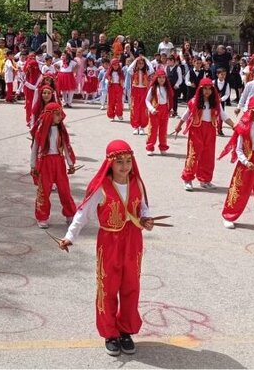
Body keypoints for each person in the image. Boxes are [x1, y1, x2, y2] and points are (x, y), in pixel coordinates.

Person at [58, 140, 154, 356]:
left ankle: (125, 330)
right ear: (110, 162)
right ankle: (110, 333)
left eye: (128, 161)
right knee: (108, 286)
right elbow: (82, 214)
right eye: (119, 162)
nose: (124, 166)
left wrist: (146, 219)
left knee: (131, 286)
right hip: (109, 241)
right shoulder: (101, 187)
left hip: (133, 241)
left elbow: (143, 208)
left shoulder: (137, 183)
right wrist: (70, 236)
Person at [220, 97, 254, 229]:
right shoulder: (243, 128)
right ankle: (229, 215)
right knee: (240, 189)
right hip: (248, 160)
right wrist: (245, 162)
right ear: (251, 113)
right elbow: (238, 149)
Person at [31, 102, 77, 229]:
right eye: (57, 114)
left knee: (65, 190)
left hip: (59, 161)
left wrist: (70, 164)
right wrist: (33, 165)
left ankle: (70, 214)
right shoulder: (40, 131)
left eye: (60, 114)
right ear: (49, 116)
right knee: (44, 191)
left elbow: (66, 147)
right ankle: (42, 217)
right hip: (45, 162)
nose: (60, 117)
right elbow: (35, 148)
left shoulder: (61, 130)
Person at [176, 78, 219, 191]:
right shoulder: (194, 101)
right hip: (196, 130)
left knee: (208, 156)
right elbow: (186, 114)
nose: (207, 91)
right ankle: (187, 179)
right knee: (194, 155)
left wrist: (234, 126)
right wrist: (179, 125)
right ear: (200, 89)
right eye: (205, 89)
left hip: (210, 130)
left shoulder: (214, 102)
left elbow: (223, 115)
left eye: (209, 89)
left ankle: (205, 179)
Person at [144, 67, 173, 155]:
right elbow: (147, 100)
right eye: (160, 77)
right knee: (153, 130)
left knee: (163, 130)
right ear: (156, 78)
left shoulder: (167, 88)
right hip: (155, 111)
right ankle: (150, 147)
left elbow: (170, 100)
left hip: (165, 111)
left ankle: (163, 147)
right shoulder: (153, 88)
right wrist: (151, 109)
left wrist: (171, 109)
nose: (162, 79)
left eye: (163, 77)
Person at [126, 56, 151, 135]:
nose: (140, 65)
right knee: (135, 108)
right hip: (135, 91)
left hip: (144, 90)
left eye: (142, 63)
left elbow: (152, 69)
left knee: (143, 109)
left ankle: (142, 127)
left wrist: (145, 59)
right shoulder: (133, 71)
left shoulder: (147, 71)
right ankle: (136, 126)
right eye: (139, 63)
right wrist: (136, 60)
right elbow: (128, 69)